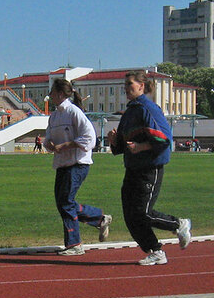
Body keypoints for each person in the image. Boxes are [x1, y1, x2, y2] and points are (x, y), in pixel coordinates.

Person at [106, 71, 191, 266]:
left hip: (149, 167)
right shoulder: (129, 112)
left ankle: (179, 224)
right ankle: (155, 250)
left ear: (141, 86)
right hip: (132, 168)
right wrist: (113, 141)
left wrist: (141, 147)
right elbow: (122, 148)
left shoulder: (148, 108)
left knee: (142, 212)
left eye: (130, 84)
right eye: (125, 85)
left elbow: (164, 139)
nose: (126, 88)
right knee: (130, 215)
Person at [44, 78, 111, 256]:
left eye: (52, 92)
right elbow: (47, 136)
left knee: (66, 202)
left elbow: (90, 138)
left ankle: (75, 245)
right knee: (63, 203)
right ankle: (99, 218)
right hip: (62, 164)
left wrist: (66, 146)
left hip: (77, 164)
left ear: (59, 94)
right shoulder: (55, 115)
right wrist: (49, 144)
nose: (49, 95)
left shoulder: (75, 112)